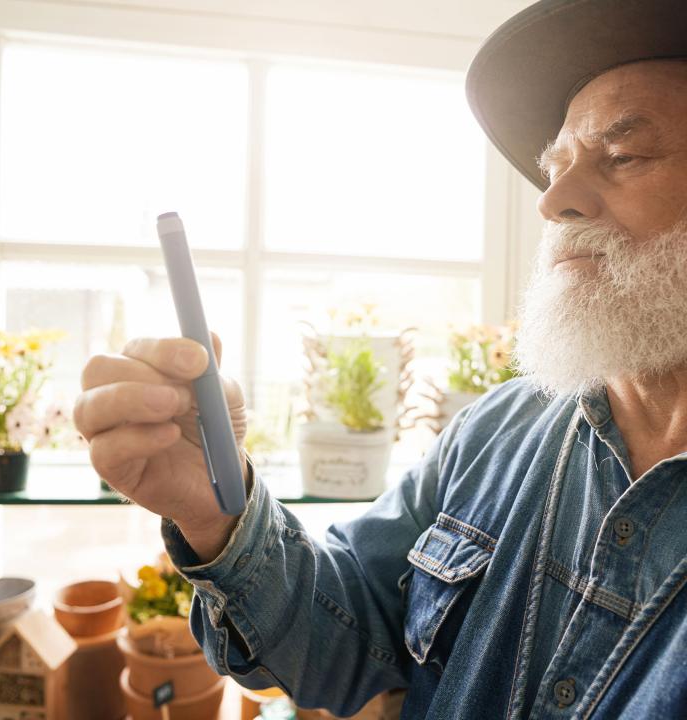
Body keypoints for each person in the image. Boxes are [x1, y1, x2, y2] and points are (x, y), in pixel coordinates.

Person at [72, 0, 687, 717]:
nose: (554, 201)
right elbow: (346, 641)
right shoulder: (499, 429)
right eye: (555, 168)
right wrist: (216, 510)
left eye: (622, 156)